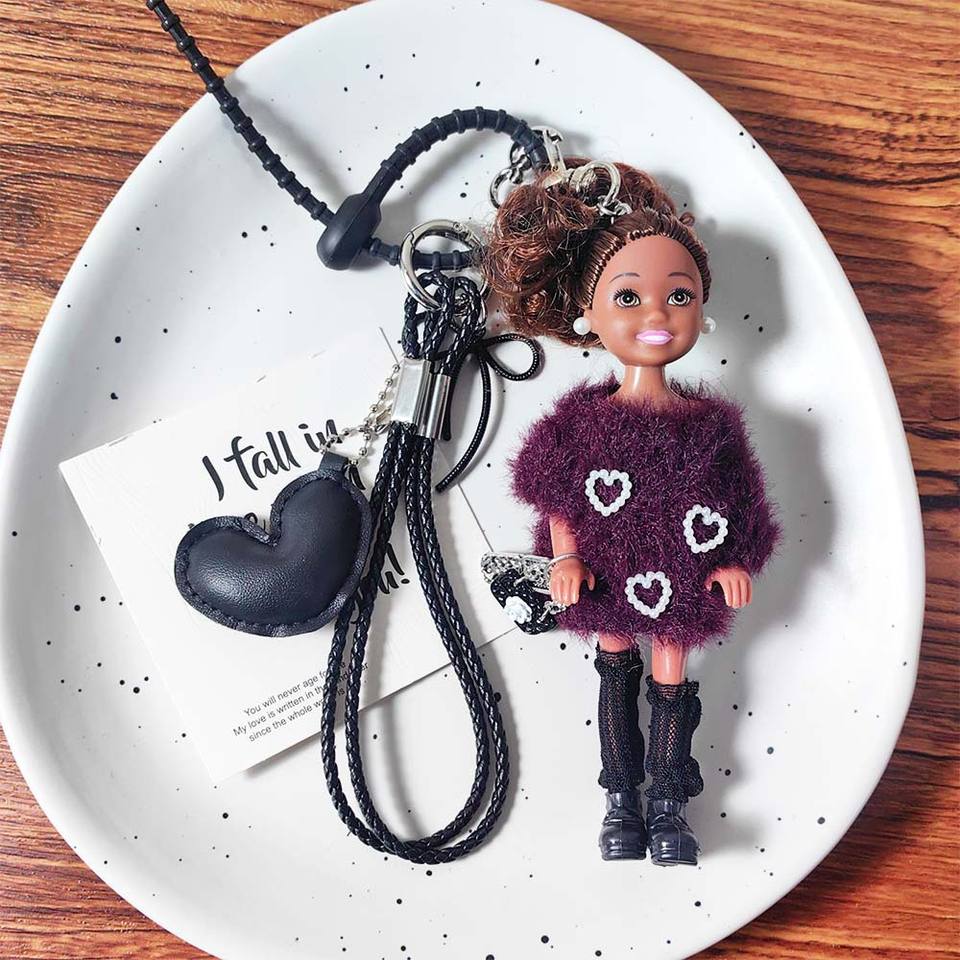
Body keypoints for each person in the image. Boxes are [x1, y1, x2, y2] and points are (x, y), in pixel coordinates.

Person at [482, 157, 783, 865]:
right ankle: (621, 799)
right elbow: (557, 490)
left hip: (679, 575)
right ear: (587, 315)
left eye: (678, 295)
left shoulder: (712, 426)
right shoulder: (580, 422)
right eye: (628, 297)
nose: (656, 315)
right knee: (615, 670)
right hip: (606, 574)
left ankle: (668, 804)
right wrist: (564, 555)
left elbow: (740, 502)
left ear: (701, 309)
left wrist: (736, 561)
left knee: (672, 674)